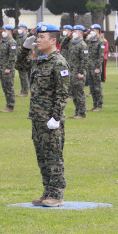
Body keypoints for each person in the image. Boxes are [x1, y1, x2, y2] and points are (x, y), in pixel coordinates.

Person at [15, 24, 70, 207]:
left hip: (50, 119)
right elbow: (20, 65)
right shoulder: (40, 60)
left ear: (53, 40)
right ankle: (47, 192)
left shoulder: (59, 62)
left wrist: (56, 117)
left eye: (42, 37)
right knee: (42, 158)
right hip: (37, 118)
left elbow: (62, 93)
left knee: (54, 157)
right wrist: (24, 48)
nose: (38, 40)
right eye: (37, 38)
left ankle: (56, 195)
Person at [0, 24, 18, 113]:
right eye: (3, 30)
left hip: (7, 69)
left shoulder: (12, 42)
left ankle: (11, 107)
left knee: (9, 87)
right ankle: (8, 106)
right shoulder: (2, 41)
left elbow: (12, 56)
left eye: (5, 30)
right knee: (5, 87)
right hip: (2, 68)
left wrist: (9, 68)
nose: (3, 32)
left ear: (10, 31)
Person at [66, 25, 88, 119]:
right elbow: (62, 45)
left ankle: (82, 113)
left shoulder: (83, 45)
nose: (73, 32)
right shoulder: (72, 42)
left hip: (78, 72)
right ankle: (77, 112)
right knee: (74, 94)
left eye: (76, 31)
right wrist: (68, 37)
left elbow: (84, 60)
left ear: (81, 33)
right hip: (72, 72)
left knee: (80, 93)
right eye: (73, 31)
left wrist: (81, 72)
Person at [86, 24, 106, 111]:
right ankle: (94, 104)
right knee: (92, 87)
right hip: (89, 66)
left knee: (97, 86)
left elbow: (101, 56)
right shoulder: (90, 40)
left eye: (93, 30)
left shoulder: (100, 42)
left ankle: (99, 105)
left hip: (96, 67)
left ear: (98, 31)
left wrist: (98, 67)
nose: (91, 32)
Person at [15, 24, 31, 97]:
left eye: (20, 28)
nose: (19, 29)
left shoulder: (26, 37)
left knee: (24, 76)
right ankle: (23, 91)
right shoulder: (19, 37)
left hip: (25, 59)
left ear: (25, 29)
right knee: (21, 76)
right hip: (19, 59)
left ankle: (25, 92)